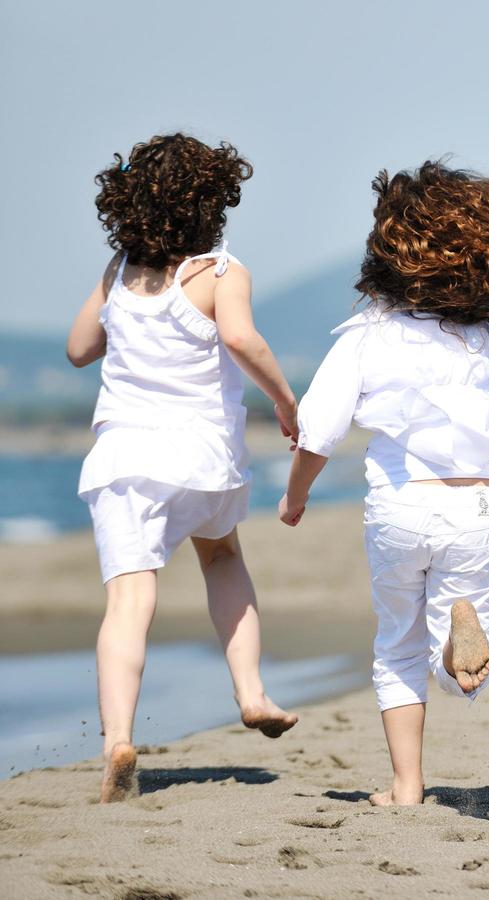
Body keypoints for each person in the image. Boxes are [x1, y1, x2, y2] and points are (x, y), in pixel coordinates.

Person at [280, 160, 489, 807]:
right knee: (469, 659)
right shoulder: (478, 339)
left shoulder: (366, 336)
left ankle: (406, 787)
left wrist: (294, 495)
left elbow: (319, 429)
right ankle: (462, 651)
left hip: (400, 504)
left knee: (395, 645)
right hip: (472, 505)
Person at [67, 133, 300, 803]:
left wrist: (118, 299)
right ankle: (252, 694)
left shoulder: (119, 272)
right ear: (214, 201)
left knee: (129, 601)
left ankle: (117, 740)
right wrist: (285, 401)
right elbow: (239, 338)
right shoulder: (222, 272)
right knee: (223, 559)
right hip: (203, 457)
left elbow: (80, 348)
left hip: (124, 458)